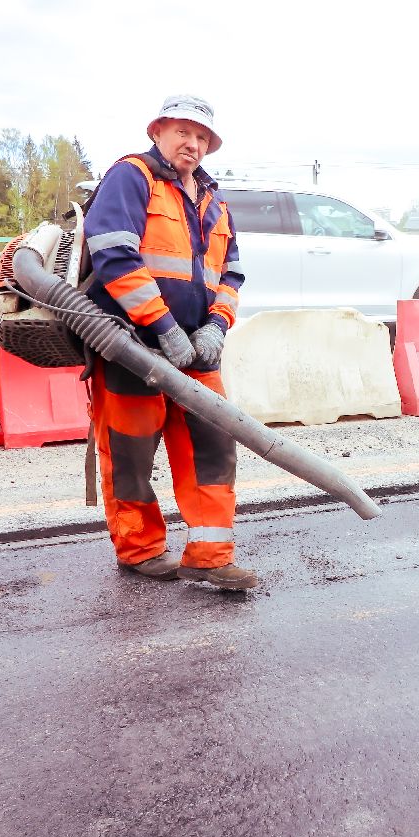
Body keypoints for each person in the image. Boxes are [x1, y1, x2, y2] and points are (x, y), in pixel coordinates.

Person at [80, 95, 252, 589]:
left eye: (202, 137)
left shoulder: (214, 201)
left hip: (198, 351)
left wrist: (216, 325)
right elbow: (113, 254)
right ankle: (139, 550)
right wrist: (163, 328)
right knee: (131, 451)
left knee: (213, 447)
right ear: (158, 131)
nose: (192, 144)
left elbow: (231, 272)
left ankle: (210, 554)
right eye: (183, 132)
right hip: (130, 346)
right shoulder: (133, 177)